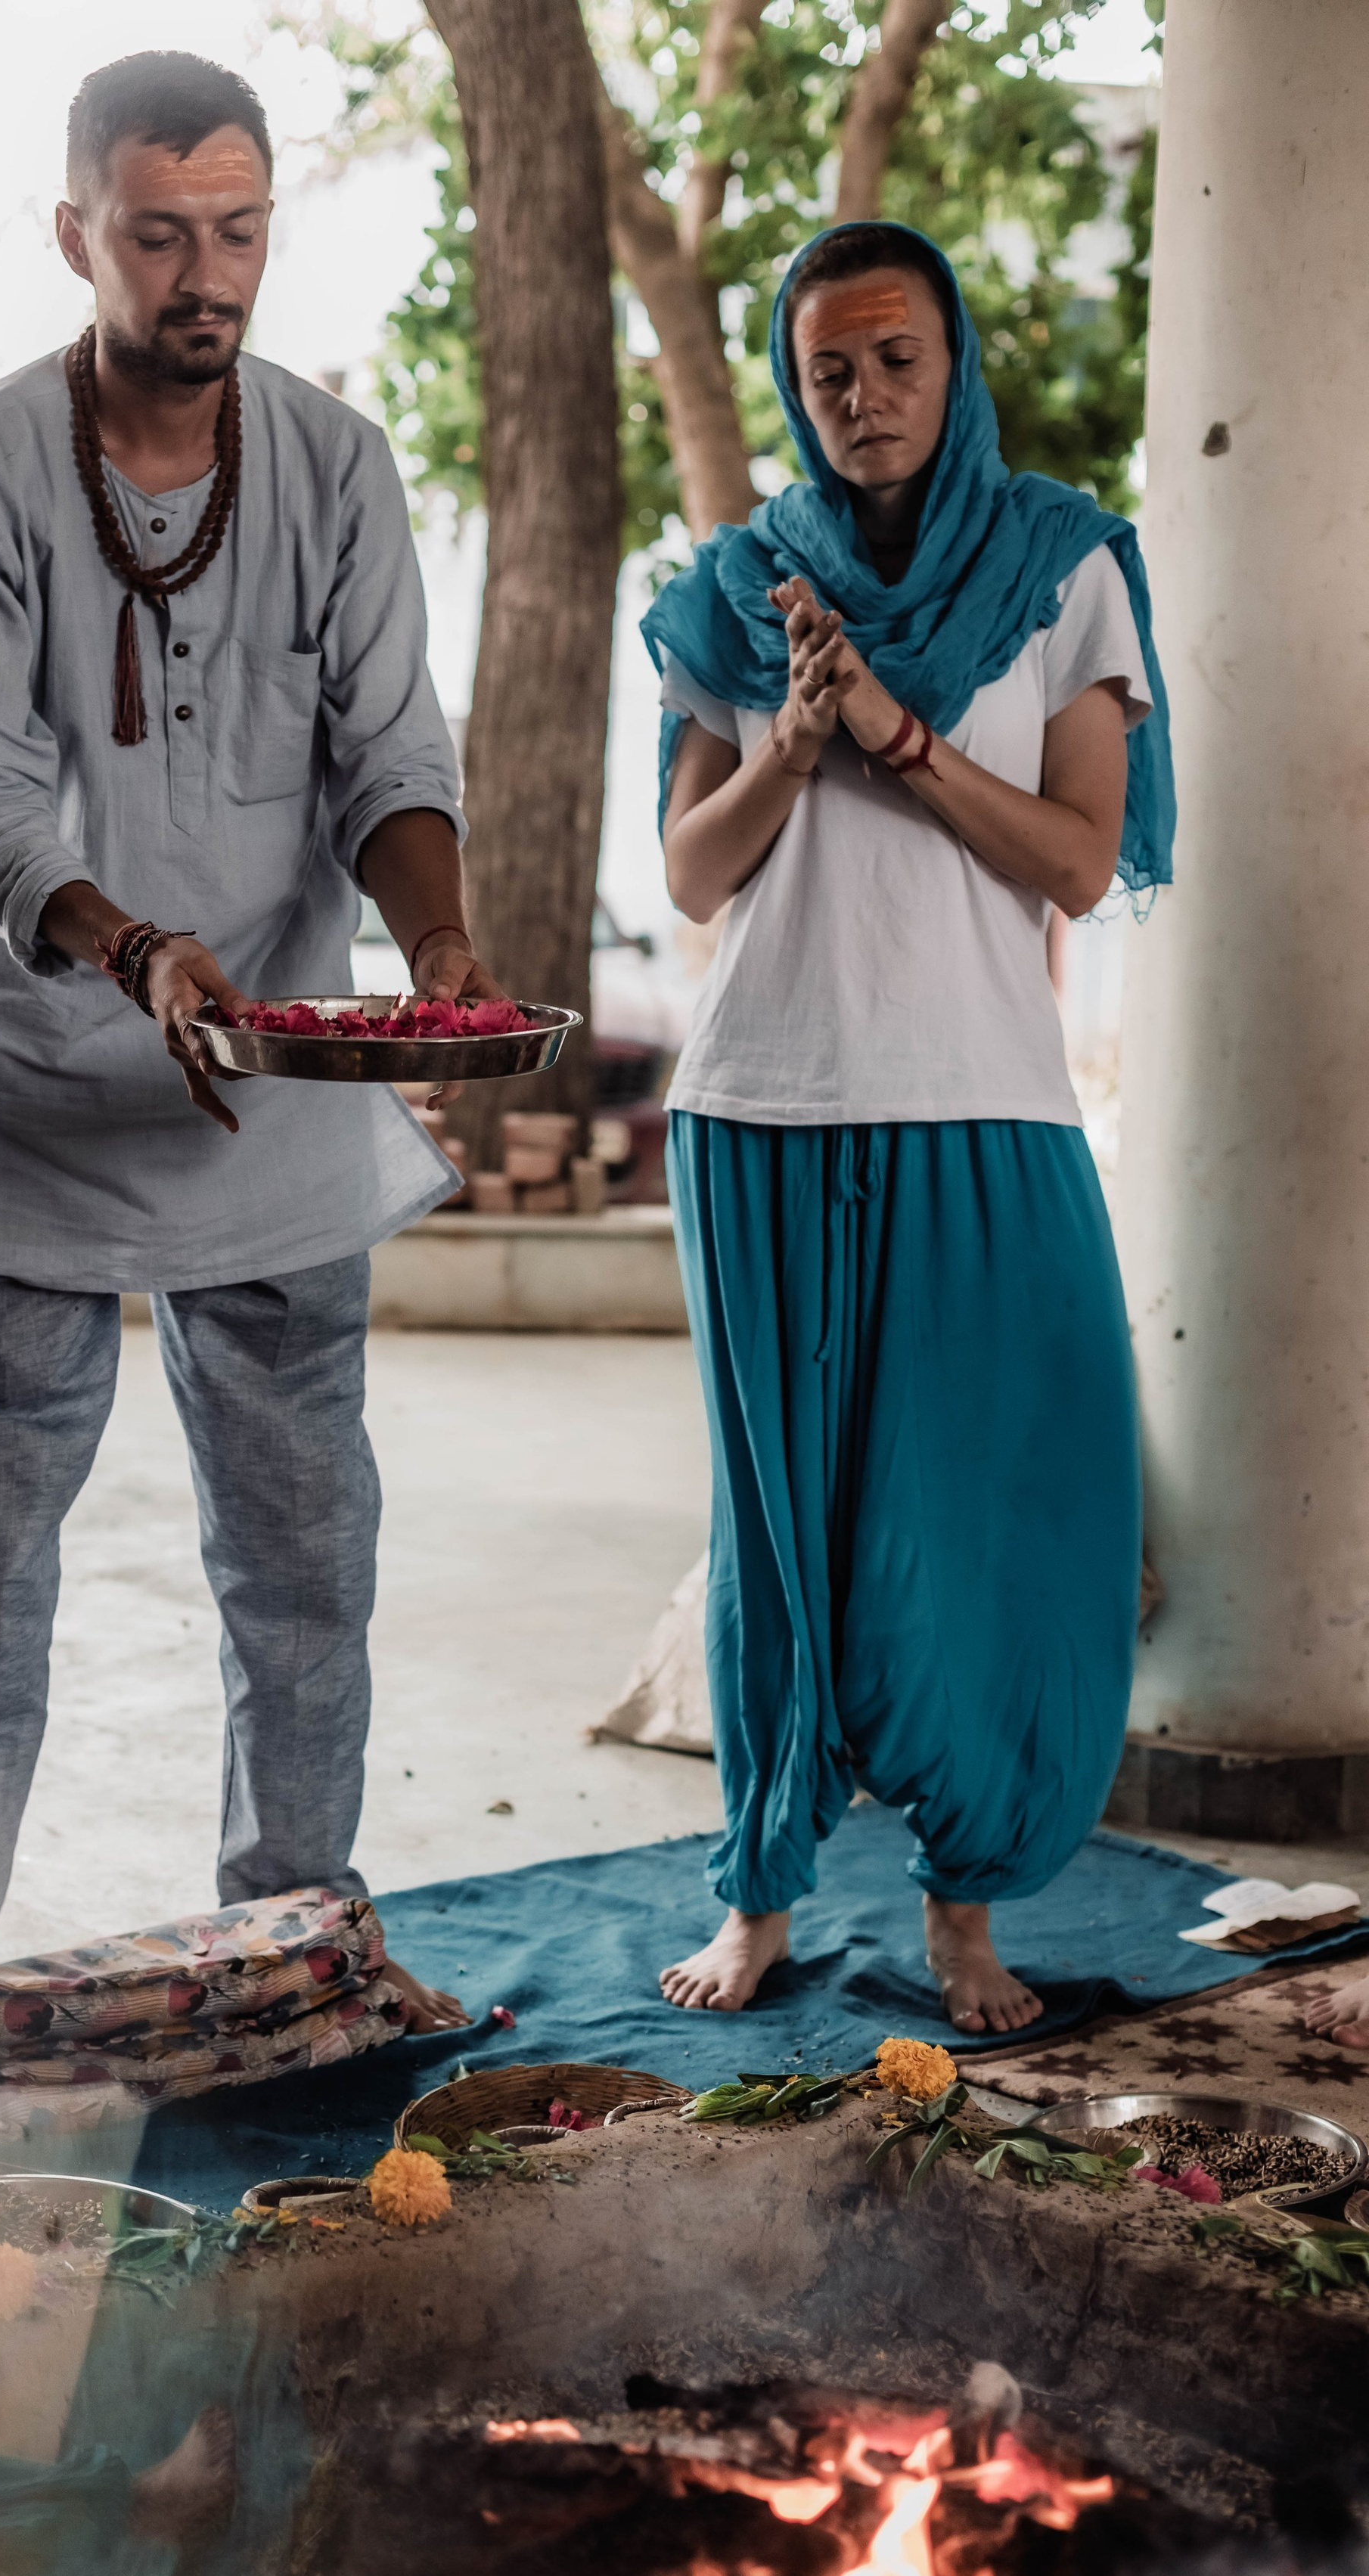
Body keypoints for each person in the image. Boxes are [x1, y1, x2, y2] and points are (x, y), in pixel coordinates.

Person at [0, 53, 490, 2091]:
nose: (207, 272)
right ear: (75, 230)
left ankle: (308, 1965)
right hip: (17, 1083)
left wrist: (432, 940)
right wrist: (131, 949)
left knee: (302, 1567)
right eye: (161, 230)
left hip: (268, 1089)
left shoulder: (338, 467)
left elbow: (391, 754)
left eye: (240, 229)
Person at [641, 222, 1174, 2036]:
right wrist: (792, 742)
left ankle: (965, 1915)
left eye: (892, 360)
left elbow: (1079, 862)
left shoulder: (1059, 566)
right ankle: (762, 1894)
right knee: (776, 1530)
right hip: (760, 1109)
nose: (859, 397)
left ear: (953, 368)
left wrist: (896, 735)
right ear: (795, 396)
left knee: (993, 1525)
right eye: (824, 373)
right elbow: (695, 875)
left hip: (983, 1105)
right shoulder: (738, 585)